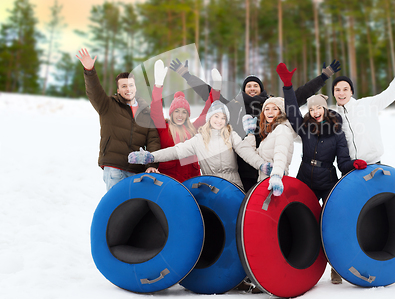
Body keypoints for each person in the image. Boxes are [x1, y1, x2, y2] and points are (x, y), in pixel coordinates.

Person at [169, 58, 341, 192]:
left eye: (255, 85)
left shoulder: (272, 105)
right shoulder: (234, 106)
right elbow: (207, 92)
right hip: (242, 166)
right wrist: (186, 74)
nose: (252, 88)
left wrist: (324, 76)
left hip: (268, 166)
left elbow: (300, 94)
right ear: (244, 90)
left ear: (261, 89)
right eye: (249, 86)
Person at [277, 62, 367, 285]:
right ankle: (293, 259)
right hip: (305, 179)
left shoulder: (336, 132)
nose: (315, 112)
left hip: (327, 181)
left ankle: (335, 266)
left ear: (325, 109)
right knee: (297, 219)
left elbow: (343, 161)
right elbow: (290, 110)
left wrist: (353, 164)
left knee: (331, 223)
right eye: (312, 108)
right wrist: (287, 87)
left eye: (319, 108)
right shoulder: (304, 127)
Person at [76, 48, 160, 190]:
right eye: (124, 86)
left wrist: (151, 165)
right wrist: (89, 70)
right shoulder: (108, 106)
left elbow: (153, 141)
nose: (128, 89)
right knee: (116, 205)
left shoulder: (146, 112)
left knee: (133, 208)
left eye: (131, 85)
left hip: (136, 170)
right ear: (118, 89)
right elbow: (94, 92)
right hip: (114, 167)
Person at [128, 100, 260, 191]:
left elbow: (246, 152)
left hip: (233, 185)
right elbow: (175, 151)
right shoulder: (199, 139)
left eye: (223, 118)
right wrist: (151, 157)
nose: (219, 121)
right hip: (212, 187)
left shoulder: (231, 135)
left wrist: (262, 165)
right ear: (209, 117)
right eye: (216, 116)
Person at [332, 52, 395, 164]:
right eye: (337, 90)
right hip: (350, 168)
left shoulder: (367, 104)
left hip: (373, 164)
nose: (341, 93)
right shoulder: (333, 117)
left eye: (345, 89)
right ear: (333, 93)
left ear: (351, 91)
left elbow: (390, 93)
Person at [149, 60, 221, 182]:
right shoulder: (164, 127)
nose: (180, 115)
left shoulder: (194, 128)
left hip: (191, 181)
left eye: (184, 112)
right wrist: (158, 84)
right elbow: (155, 108)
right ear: (171, 113)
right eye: (176, 111)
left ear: (188, 115)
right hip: (168, 181)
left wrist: (216, 88)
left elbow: (208, 111)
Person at [237, 96, 296, 197]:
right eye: (267, 109)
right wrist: (250, 134)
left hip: (275, 183)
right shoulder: (271, 133)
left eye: (274, 109)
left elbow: (280, 154)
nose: (270, 112)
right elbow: (256, 155)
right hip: (265, 182)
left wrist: (276, 176)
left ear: (281, 112)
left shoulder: (282, 129)